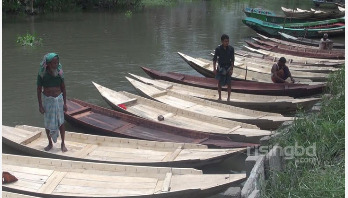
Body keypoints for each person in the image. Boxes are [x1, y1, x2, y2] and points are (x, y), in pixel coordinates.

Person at [37, 53, 68, 152]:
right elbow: (38, 90)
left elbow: (63, 88)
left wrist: (65, 103)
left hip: (58, 100)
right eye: (54, 63)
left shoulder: (59, 73)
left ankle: (63, 143)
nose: (56, 64)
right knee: (47, 123)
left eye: (57, 62)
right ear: (48, 64)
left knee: (61, 122)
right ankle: (50, 143)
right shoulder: (42, 74)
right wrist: (40, 105)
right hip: (48, 100)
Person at [213, 34, 235, 101]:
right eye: (225, 41)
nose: (227, 43)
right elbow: (214, 59)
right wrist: (214, 69)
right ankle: (220, 97)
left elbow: (232, 60)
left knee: (229, 83)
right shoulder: (218, 49)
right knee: (219, 83)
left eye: (228, 41)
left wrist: (232, 69)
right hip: (221, 67)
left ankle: (228, 98)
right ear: (222, 41)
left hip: (228, 67)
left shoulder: (231, 49)